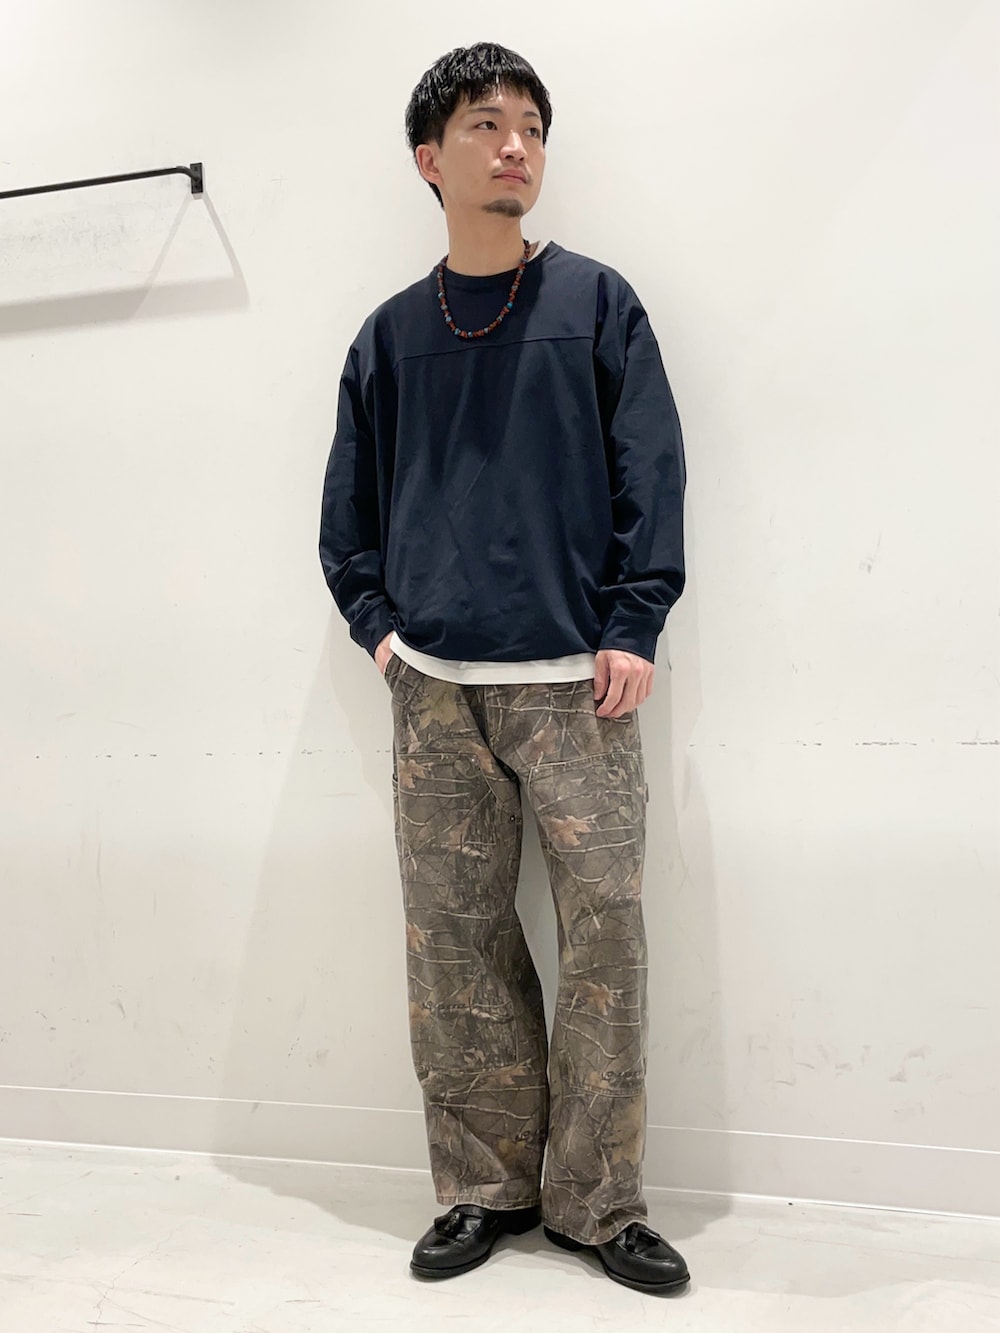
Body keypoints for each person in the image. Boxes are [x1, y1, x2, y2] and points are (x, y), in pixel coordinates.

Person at [319, 41, 688, 1295]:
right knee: (454, 946)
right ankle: (484, 1189)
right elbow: (346, 514)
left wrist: (635, 622)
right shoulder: (386, 337)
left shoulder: (596, 303)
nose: (515, 144)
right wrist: (381, 631)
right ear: (429, 159)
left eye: (530, 123)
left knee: (605, 941)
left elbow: (651, 471)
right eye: (485, 123)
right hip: (434, 685)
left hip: (579, 681)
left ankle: (598, 1200)